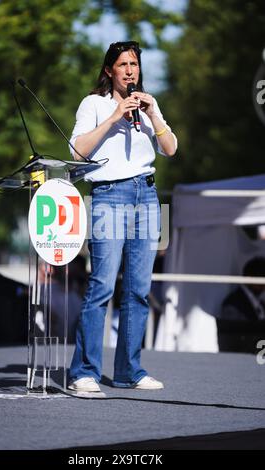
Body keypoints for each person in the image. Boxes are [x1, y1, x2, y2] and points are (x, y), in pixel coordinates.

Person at [67, 41, 177, 392]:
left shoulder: (148, 104)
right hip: (109, 196)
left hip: (147, 195)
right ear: (108, 70)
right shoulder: (94, 104)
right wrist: (115, 117)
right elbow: (76, 150)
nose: (130, 70)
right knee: (101, 284)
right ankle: (84, 371)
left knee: (139, 289)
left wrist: (153, 114)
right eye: (122, 64)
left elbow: (171, 148)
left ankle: (130, 370)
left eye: (134, 64)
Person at [217, 257, 265, 353]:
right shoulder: (233, 305)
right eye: (262, 278)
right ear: (250, 278)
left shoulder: (260, 303)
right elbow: (233, 342)